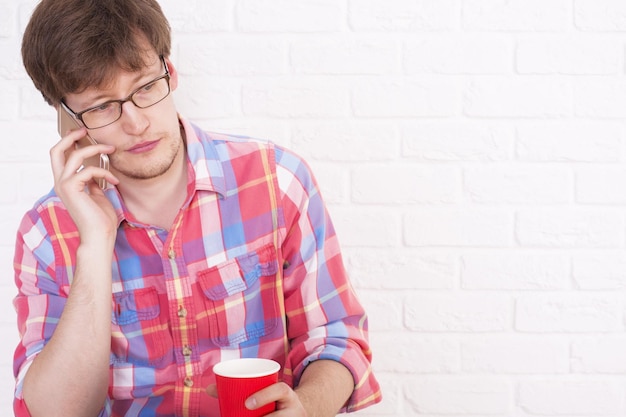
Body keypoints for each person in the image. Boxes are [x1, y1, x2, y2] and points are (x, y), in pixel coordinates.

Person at [12, 0, 382, 416]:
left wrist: (306, 408)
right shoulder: (45, 233)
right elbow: (57, 411)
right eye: (101, 106)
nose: (136, 123)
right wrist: (95, 243)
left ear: (171, 72)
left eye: (146, 87)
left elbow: (337, 337)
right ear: (68, 120)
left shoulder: (277, 180)